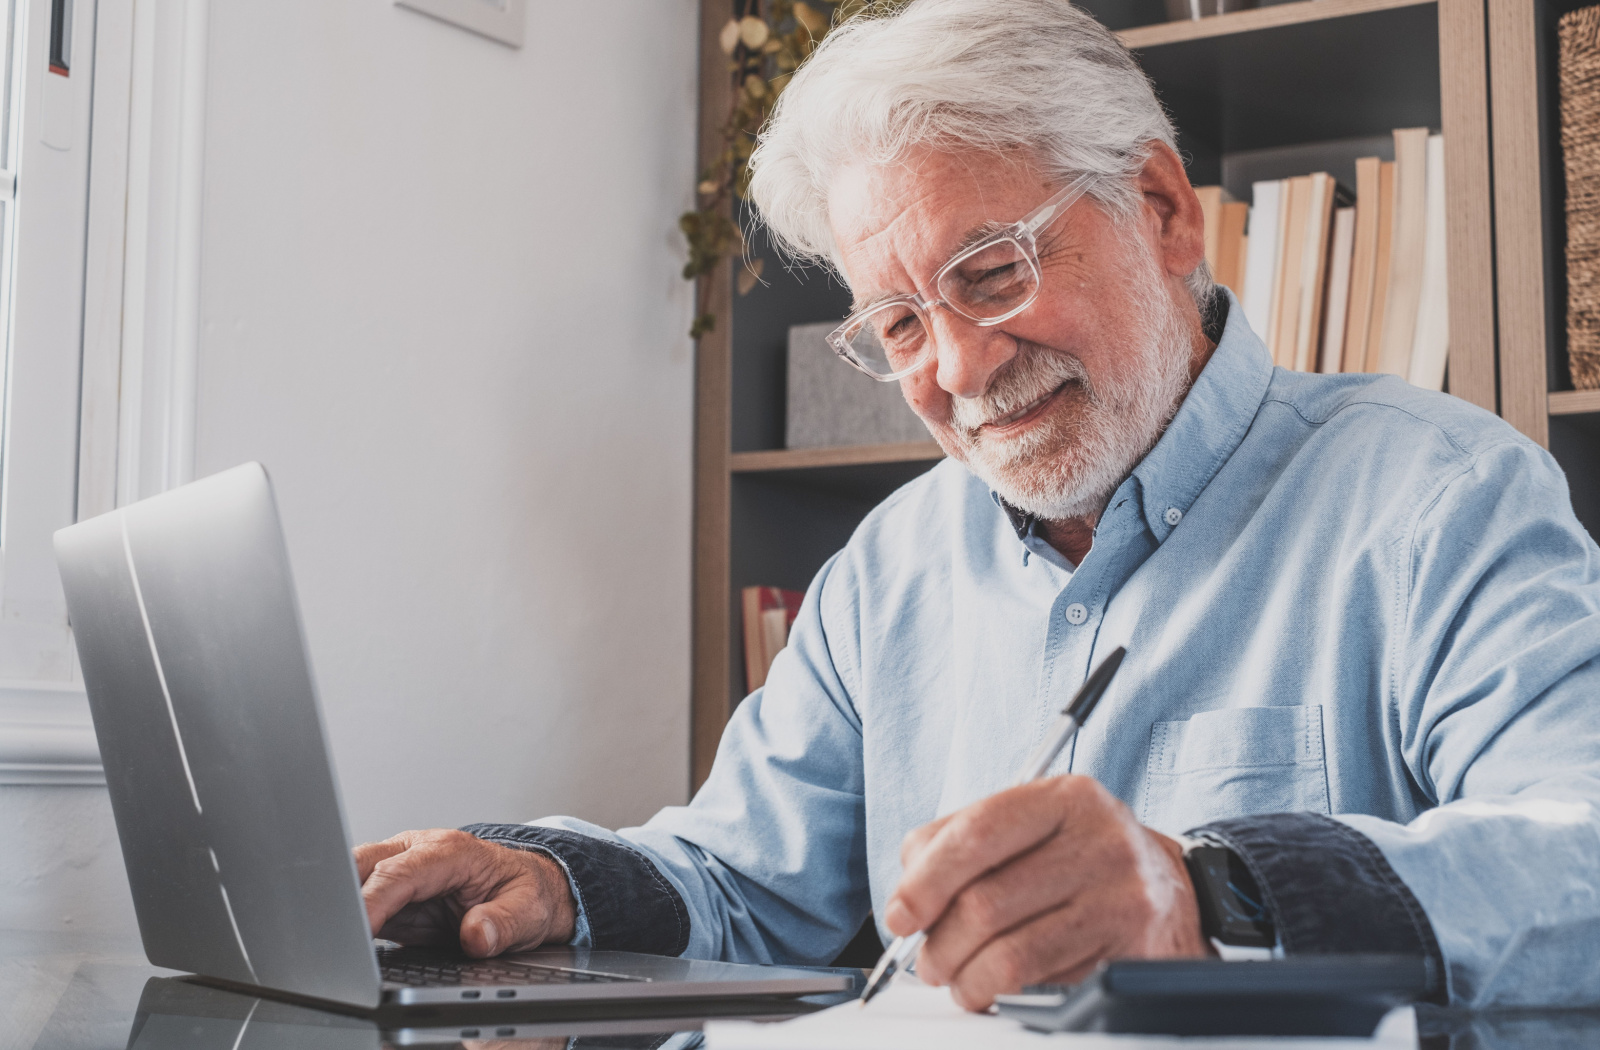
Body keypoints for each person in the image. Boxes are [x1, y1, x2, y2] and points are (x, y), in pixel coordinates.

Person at [354, 0, 1600, 1010]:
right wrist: (550, 882)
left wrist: (1212, 892)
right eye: (898, 323)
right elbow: (739, 878)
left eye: (990, 272)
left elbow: (1580, 858)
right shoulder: (891, 562)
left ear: (1160, 209)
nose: (953, 370)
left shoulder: (1437, 495)